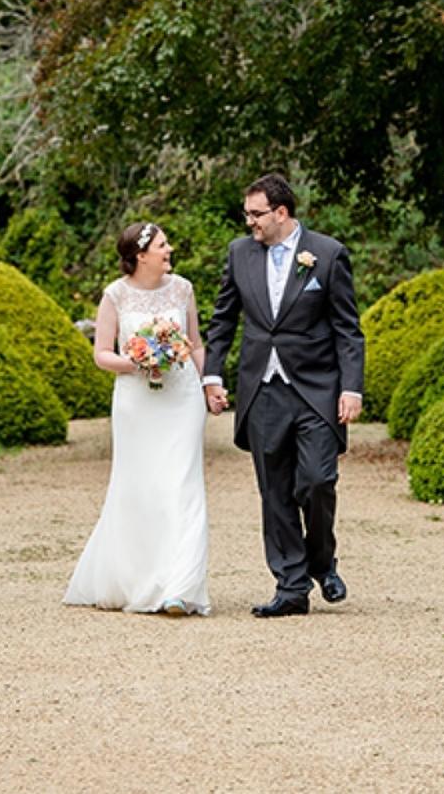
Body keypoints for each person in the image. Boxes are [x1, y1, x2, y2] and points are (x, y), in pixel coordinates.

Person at [203, 173, 365, 618]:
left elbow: (347, 329)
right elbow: (223, 321)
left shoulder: (328, 255)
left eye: (256, 213)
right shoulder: (240, 254)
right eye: (247, 213)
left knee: (316, 481)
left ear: (281, 212)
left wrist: (351, 387)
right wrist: (211, 376)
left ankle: (321, 561)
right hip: (263, 390)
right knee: (274, 492)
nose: (248, 221)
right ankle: (291, 588)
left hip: (316, 390)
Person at [64, 222, 210, 616]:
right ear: (141, 255)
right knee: (140, 489)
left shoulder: (183, 289)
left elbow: (195, 344)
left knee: (184, 487)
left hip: (182, 400)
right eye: (163, 245)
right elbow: (101, 354)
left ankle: (180, 587)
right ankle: (136, 579)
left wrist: (208, 385)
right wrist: (137, 362)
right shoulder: (115, 295)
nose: (170, 249)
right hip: (136, 403)